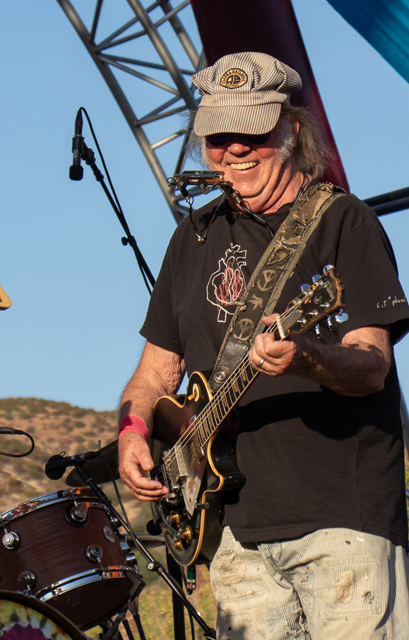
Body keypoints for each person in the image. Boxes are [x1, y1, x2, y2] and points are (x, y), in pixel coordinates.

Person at [116, 51, 409, 639]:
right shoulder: (192, 237)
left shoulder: (343, 221)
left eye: (251, 132)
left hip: (339, 520)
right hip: (231, 531)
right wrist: (133, 434)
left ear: (292, 130)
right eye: (218, 138)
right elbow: (152, 376)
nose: (235, 150)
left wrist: (305, 356)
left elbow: (373, 365)